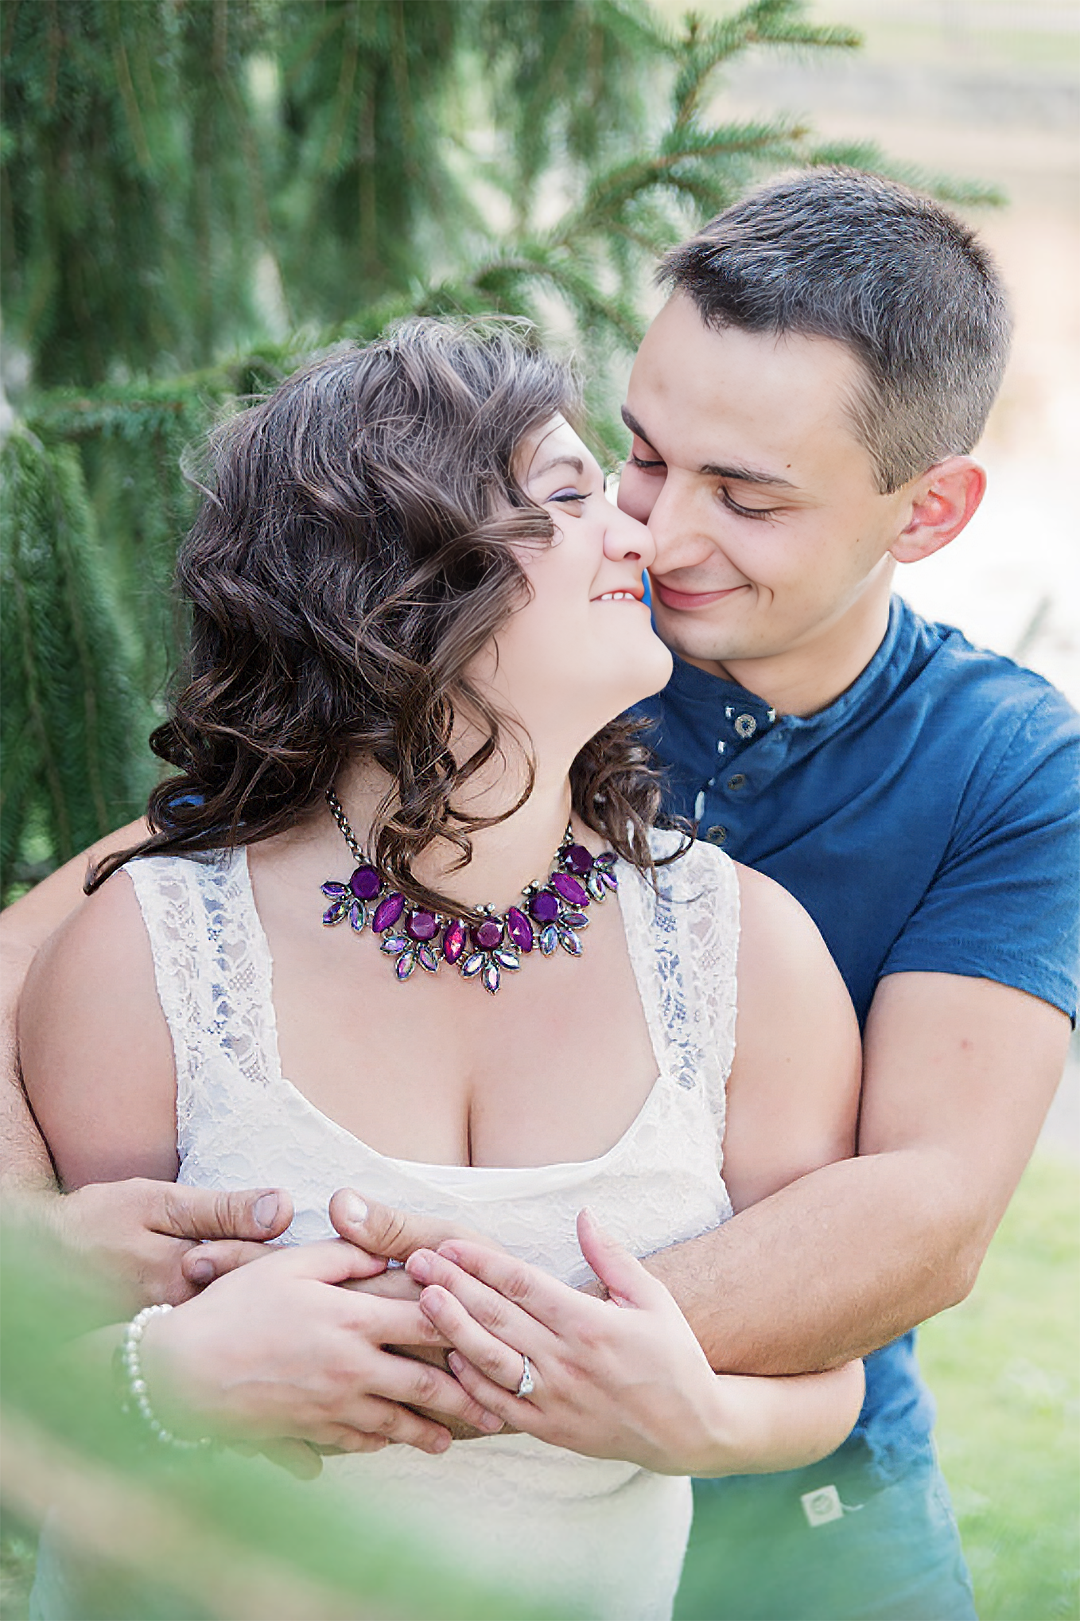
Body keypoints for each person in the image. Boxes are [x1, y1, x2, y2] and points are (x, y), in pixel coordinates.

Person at [4, 167, 1077, 1618]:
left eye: (746, 496)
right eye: (637, 456)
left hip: (790, 1493)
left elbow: (930, 1209)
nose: (664, 531)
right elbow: (84, 945)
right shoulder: (506, 663)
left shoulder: (997, 768)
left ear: (928, 510)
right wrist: (53, 1261)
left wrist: (491, 1358)